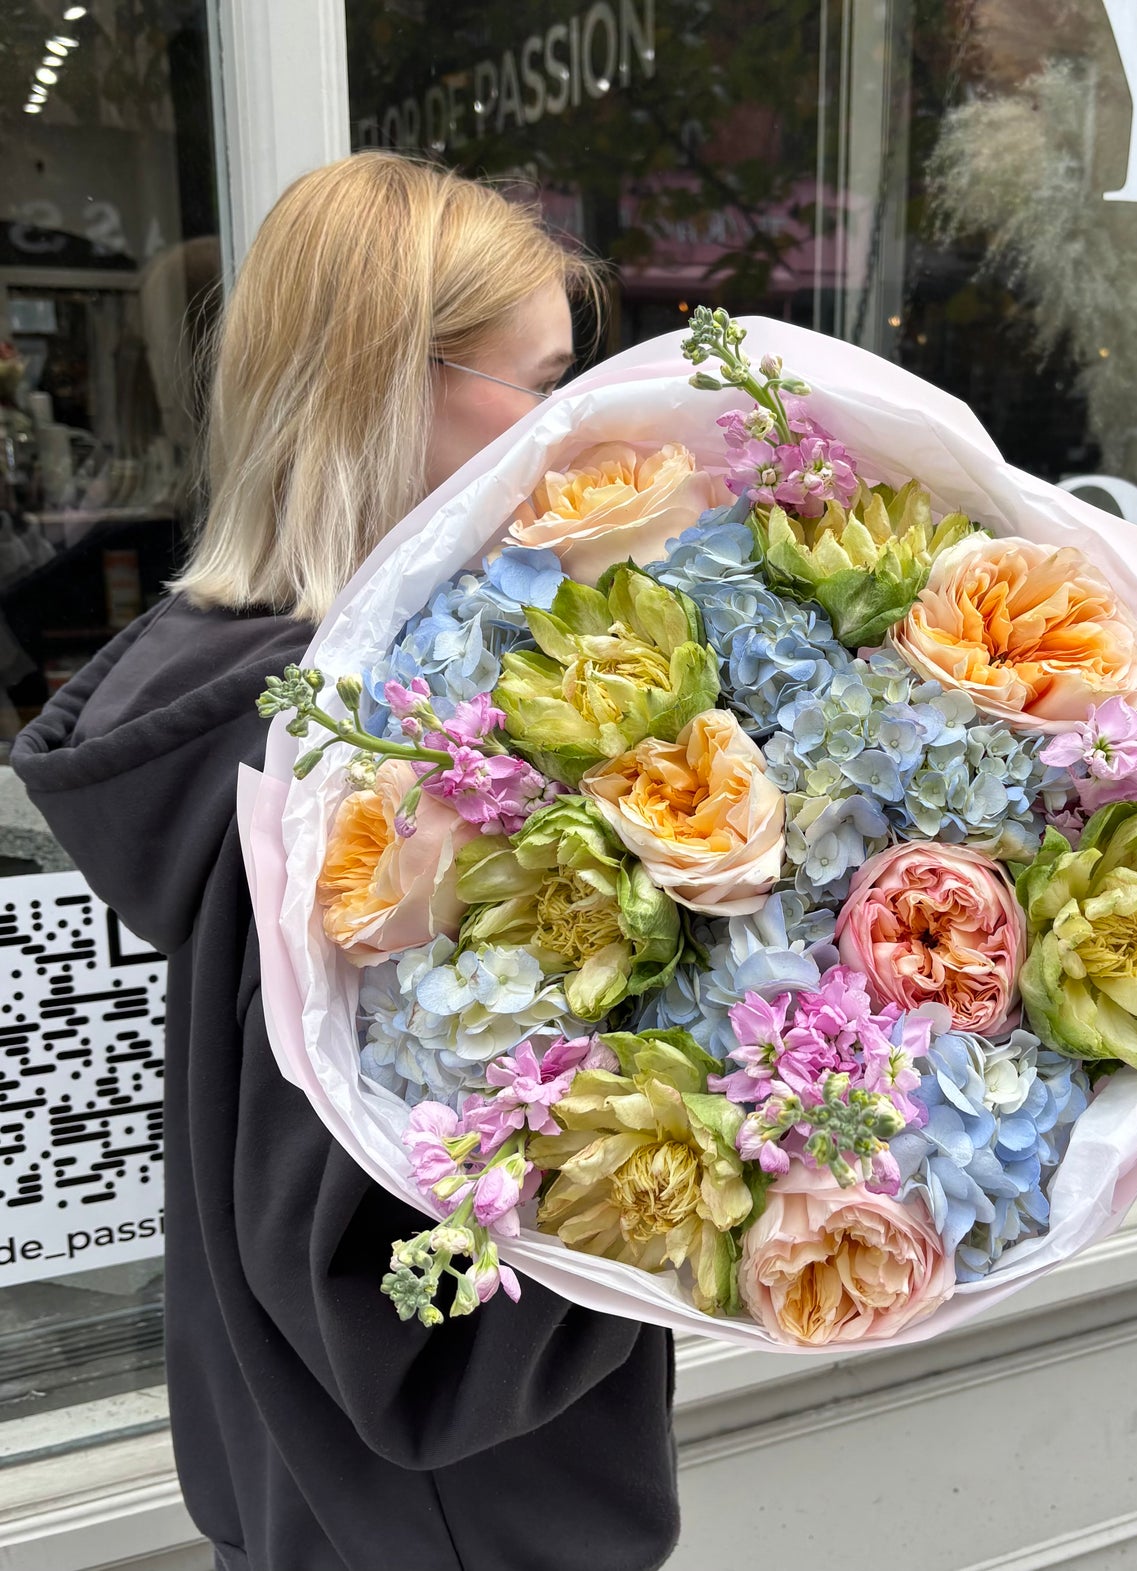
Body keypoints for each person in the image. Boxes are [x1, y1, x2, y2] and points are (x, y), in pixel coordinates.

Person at [11, 153, 679, 1571]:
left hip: (307, 1488)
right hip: (461, 1520)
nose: (568, 428)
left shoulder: (234, 698)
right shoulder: (373, 759)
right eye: (540, 383)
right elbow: (394, 1306)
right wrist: (689, 1192)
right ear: (387, 390)